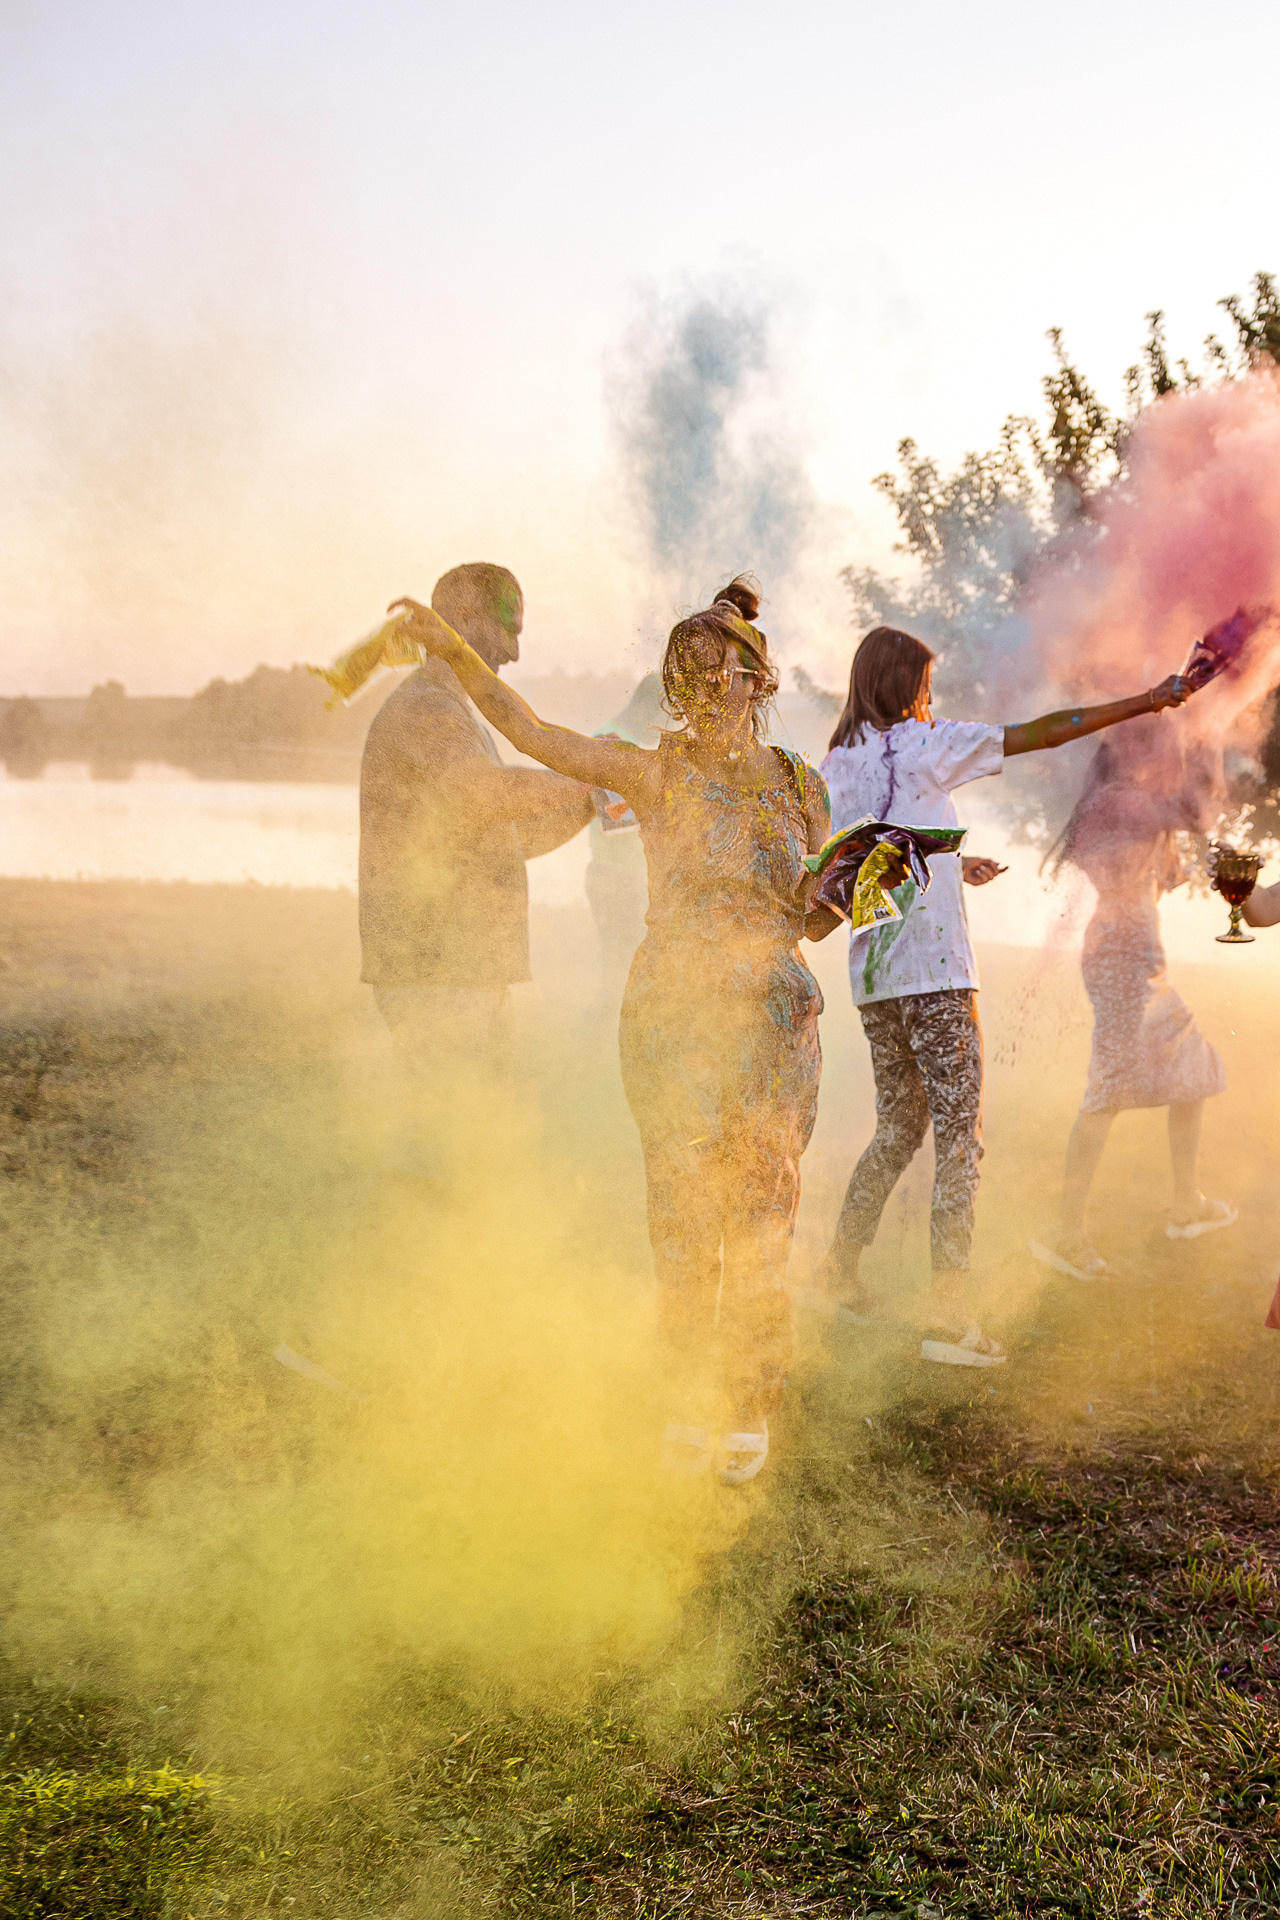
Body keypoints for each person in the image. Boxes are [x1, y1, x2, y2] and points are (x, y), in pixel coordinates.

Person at [387, 575, 837, 1484]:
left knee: (763, 1215)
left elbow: (809, 919)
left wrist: (852, 893)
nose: (702, 687)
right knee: (682, 1217)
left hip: (775, 1025)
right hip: (675, 1017)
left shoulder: (803, 785)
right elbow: (528, 730)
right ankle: (686, 1400)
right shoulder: (654, 771)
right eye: (686, 673)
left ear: (758, 679)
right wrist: (451, 647)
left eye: (719, 670)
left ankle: (747, 1400)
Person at [817, 625, 1197, 1365]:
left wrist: (955, 866)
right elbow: (1045, 732)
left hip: (875, 980)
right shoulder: (925, 744)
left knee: (898, 1130)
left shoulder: (838, 763)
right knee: (961, 1137)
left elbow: (869, 854)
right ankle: (948, 1319)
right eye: (926, 688)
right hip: (937, 978)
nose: (931, 702)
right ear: (902, 688)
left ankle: (837, 1271)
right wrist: (1149, 701)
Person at [358, 562, 593, 1183]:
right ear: (461, 619)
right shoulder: (426, 710)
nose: (514, 652)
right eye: (507, 629)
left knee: (476, 1141)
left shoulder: (457, 713)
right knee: (446, 1147)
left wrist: (592, 804)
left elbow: (508, 838)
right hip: (434, 967)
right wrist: (586, 778)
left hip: (469, 969)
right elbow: (482, 794)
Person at [1030, 727, 1232, 1278]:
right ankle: (1066, 1234)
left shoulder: (1127, 804)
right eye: (1166, 746)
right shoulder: (1120, 800)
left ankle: (1186, 1205)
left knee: (1194, 1072)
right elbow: (1198, 814)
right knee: (1107, 1091)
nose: (1173, 754)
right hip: (1120, 959)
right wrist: (1212, 737)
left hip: (1138, 957)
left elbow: (1160, 873)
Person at [584, 672, 665, 997]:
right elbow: (613, 818)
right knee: (621, 969)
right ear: (649, 706)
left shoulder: (640, 742)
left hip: (635, 877)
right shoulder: (610, 740)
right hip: (616, 876)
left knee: (632, 969)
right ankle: (608, 1021)